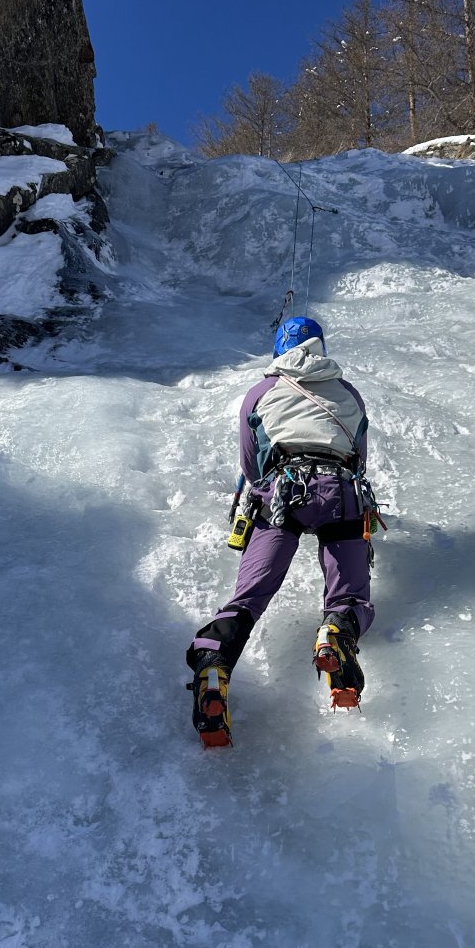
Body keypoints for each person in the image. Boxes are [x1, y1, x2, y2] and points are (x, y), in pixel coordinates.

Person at [186, 315, 376, 746]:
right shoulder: (348, 393)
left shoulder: (262, 392)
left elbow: (251, 464)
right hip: (342, 492)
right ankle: (336, 631)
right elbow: (358, 459)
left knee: (248, 600)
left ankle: (215, 664)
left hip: (282, 495)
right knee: (350, 597)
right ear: (321, 347)